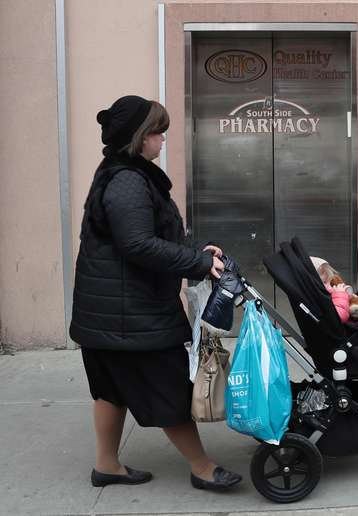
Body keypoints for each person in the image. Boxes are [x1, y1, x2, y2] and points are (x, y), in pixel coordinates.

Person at [69, 95, 242, 491]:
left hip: (108, 312)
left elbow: (138, 240)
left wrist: (192, 254)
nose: (163, 140)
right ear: (138, 137)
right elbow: (137, 244)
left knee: (111, 390)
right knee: (167, 389)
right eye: (157, 132)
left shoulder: (120, 173)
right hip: (132, 315)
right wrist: (197, 264)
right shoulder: (128, 180)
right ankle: (202, 467)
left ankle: (106, 465)